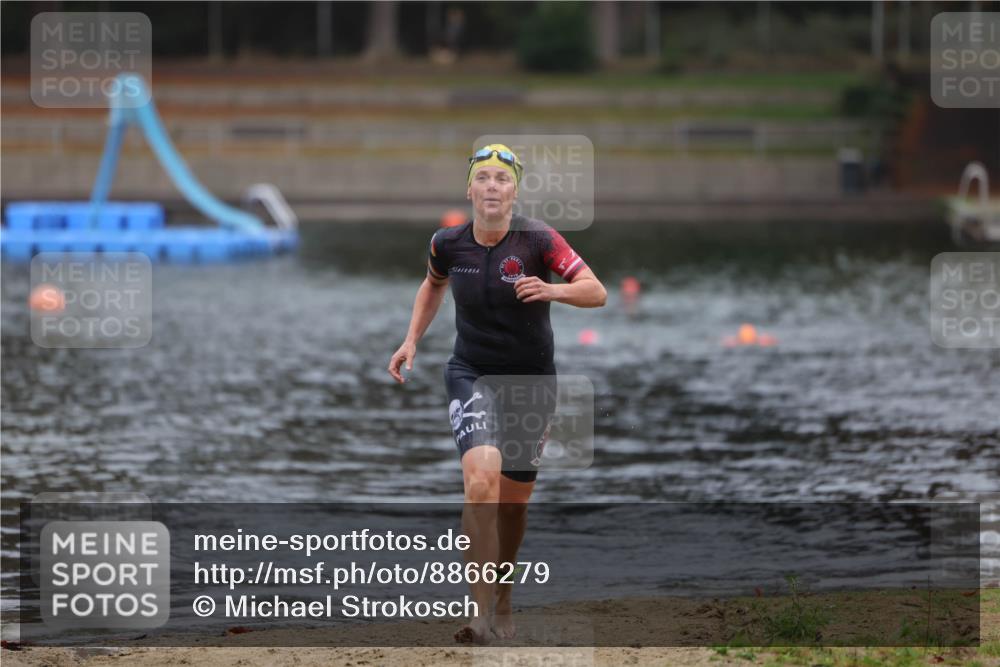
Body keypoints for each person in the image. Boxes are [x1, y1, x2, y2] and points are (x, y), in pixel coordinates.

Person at [388, 144, 606, 644]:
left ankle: (504, 595)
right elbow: (431, 285)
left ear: (514, 191)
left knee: (513, 504)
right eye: (482, 177)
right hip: (471, 372)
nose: (491, 186)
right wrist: (411, 340)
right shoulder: (448, 242)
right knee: (481, 485)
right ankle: (479, 612)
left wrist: (553, 290)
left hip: (532, 381)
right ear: (469, 189)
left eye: (501, 179)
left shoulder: (539, 240)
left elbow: (597, 291)